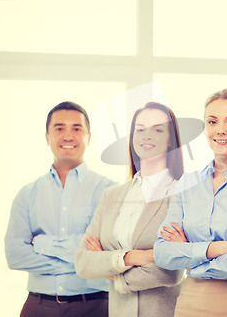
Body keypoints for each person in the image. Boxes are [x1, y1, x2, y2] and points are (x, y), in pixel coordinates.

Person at [154, 88, 227, 317]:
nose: (220, 130)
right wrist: (217, 248)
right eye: (212, 121)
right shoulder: (187, 182)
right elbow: (162, 253)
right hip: (190, 303)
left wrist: (190, 259)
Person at [5, 101, 116, 317]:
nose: (68, 136)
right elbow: (15, 255)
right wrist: (85, 263)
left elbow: (108, 253)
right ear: (47, 137)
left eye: (76, 128)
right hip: (38, 307)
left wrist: (43, 244)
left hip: (95, 307)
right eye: (59, 128)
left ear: (89, 137)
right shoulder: (27, 194)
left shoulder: (110, 192)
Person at [74, 102, 185, 317]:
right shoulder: (111, 196)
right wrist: (129, 258)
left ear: (172, 139)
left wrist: (111, 269)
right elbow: (83, 261)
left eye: (158, 129)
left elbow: (170, 271)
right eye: (140, 129)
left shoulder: (181, 194)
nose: (147, 136)